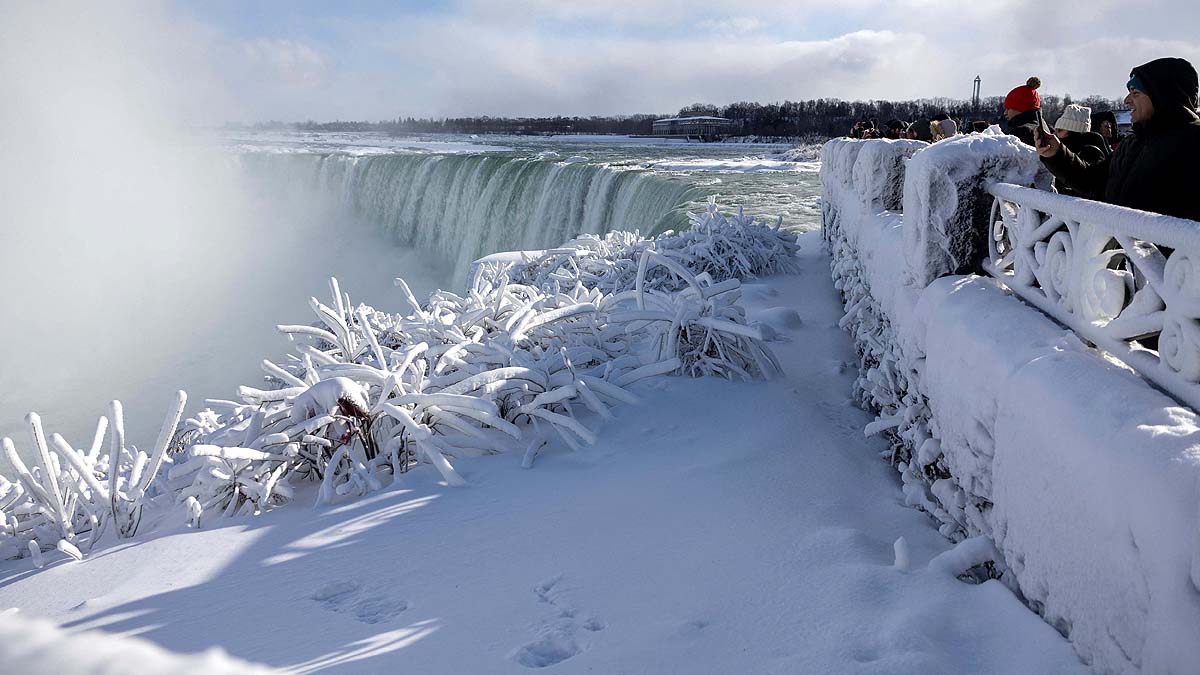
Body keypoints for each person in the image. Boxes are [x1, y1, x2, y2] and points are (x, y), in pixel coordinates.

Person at [1037, 57, 1200, 221]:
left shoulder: (1193, 142)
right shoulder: (1132, 143)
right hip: (1119, 244)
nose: (1127, 100)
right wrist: (1057, 154)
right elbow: (1094, 182)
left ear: (1162, 96)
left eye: (1135, 93)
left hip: (1160, 245)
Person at [1050, 104, 1108, 195]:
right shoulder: (1069, 149)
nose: (1055, 134)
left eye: (1060, 130)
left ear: (1073, 132)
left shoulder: (1090, 151)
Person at [1003, 77, 1043, 145]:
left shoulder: (1020, 132)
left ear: (1021, 109)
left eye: (1008, 108)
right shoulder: (1046, 129)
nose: (1005, 113)